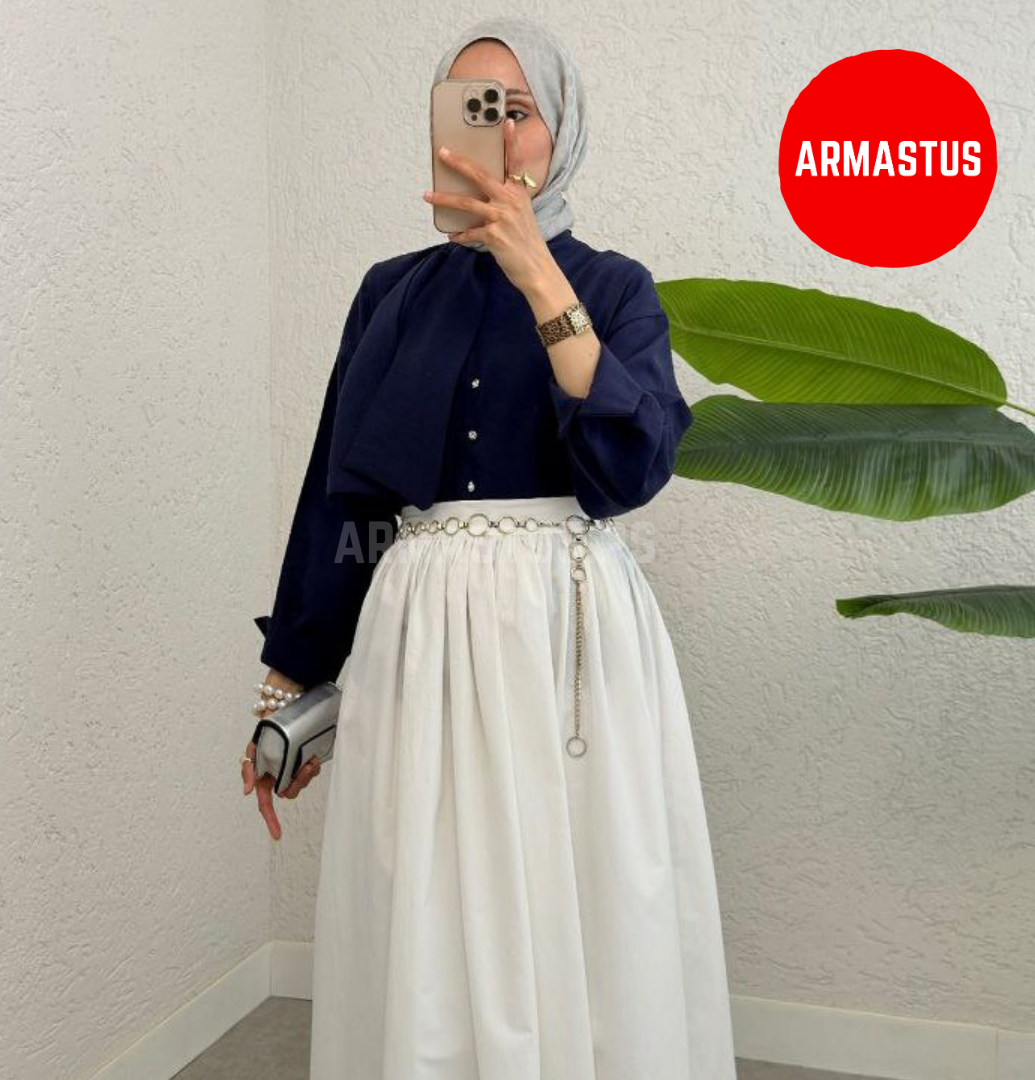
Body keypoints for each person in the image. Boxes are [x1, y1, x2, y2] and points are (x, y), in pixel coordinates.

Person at [242, 16, 738, 1080]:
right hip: (421, 639)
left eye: (520, 109)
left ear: (561, 130)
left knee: (587, 881)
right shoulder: (388, 292)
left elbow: (631, 467)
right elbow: (339, 498)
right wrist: (287, 688)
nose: (498, 129)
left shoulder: (614, 287)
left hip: (569, 636)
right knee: (425, 890)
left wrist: (539, 279)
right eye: (471, 106)